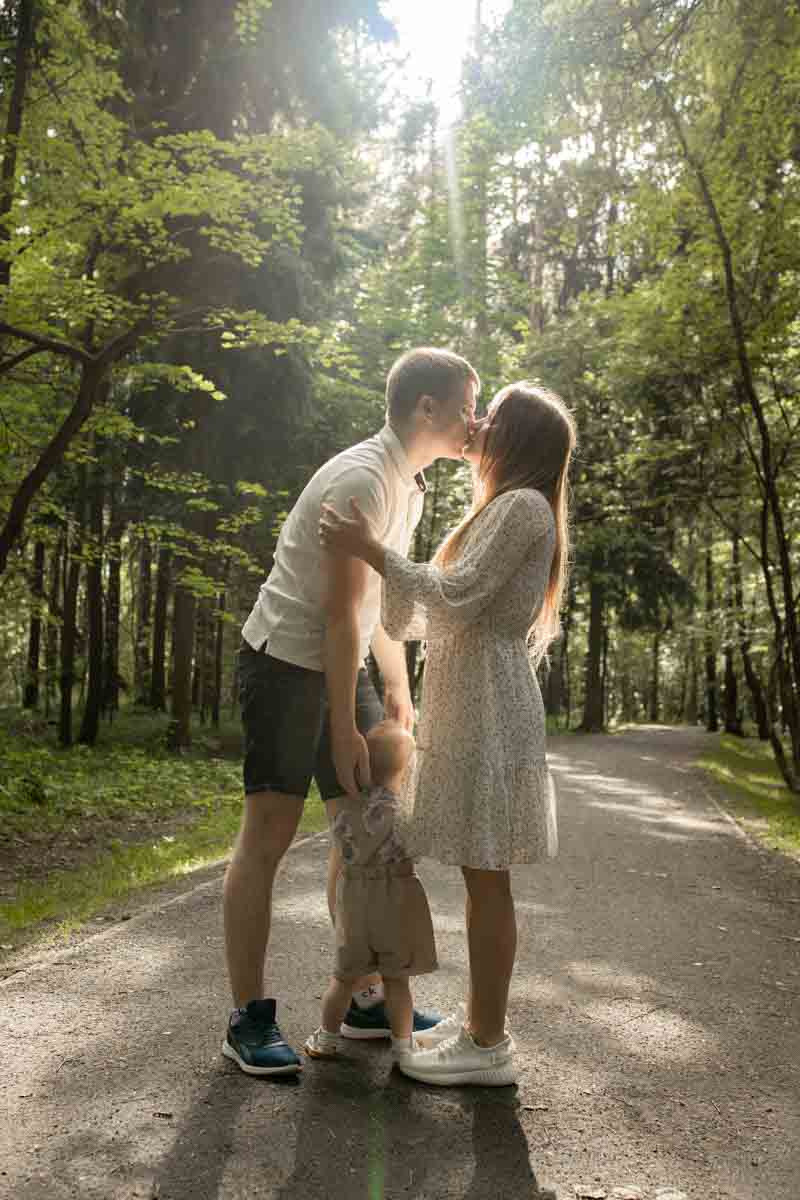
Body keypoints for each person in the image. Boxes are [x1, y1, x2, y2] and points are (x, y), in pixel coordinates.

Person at [221, 347, 480, 1077]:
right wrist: (341, 728)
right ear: (426, 408)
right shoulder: (362, 479)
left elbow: (376, 607)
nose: (476, 421)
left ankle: (365, 994)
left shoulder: (413, 486)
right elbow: (338, 616)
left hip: (344, 660)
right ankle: (248, 1018)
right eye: (468, 405)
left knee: (363, 823)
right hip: (283, 662)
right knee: (267, 832)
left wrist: (396, 689)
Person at [319, 381, 576, 1087]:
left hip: (489, 709)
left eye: (491, 416)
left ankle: (488, 1044)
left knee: (487, 878)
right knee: (478, 875)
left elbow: (453, 597)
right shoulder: (495, 510)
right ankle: (480, 1036)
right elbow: (423, 616)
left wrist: (371, 551)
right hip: (467, 704)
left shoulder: (522, 508)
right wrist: (390, 569)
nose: (478, 424)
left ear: (517, 436)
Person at [304, 718, 437, 1063]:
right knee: (396, 981)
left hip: (354, 904)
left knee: (343, 978)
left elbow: (343, 851)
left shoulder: (346, 811)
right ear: (407, 773)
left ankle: (327, 1039)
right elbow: (419, 850)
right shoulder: (405, 816)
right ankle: (403, 1046)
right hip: (394, 903)